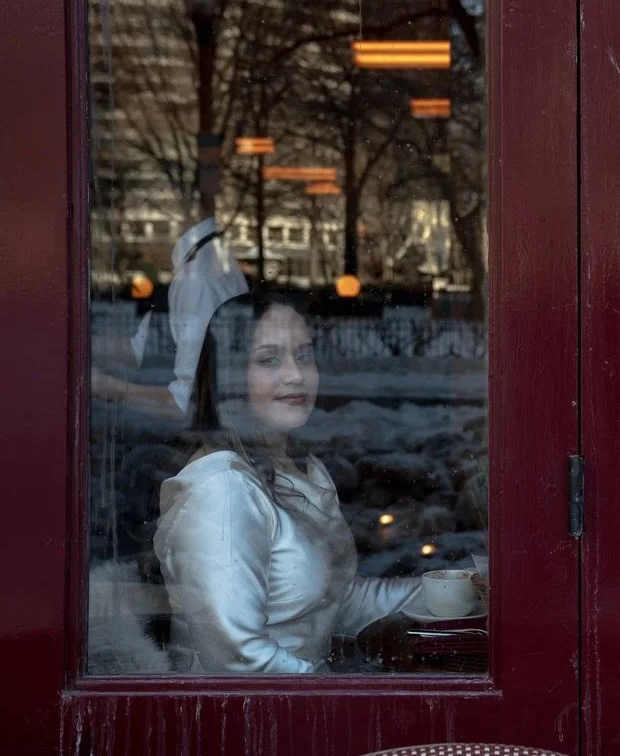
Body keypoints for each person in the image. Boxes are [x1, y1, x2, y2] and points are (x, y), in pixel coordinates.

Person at [153, 291, 420, 673]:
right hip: (248, 725)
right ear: (230, 374)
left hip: (305, 711)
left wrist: (460, 589)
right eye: (269, 359)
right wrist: (343, 699)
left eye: (304, 355)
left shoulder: (300, 467)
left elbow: (334, 602)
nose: (295, 374)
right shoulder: (223, 489)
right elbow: (237, 661)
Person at [92, 217, 250, 418]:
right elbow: (141, 348)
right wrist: (85, 347)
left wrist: (106, 387)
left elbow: (184, 402)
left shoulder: (197, 286)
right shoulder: (194, 279)